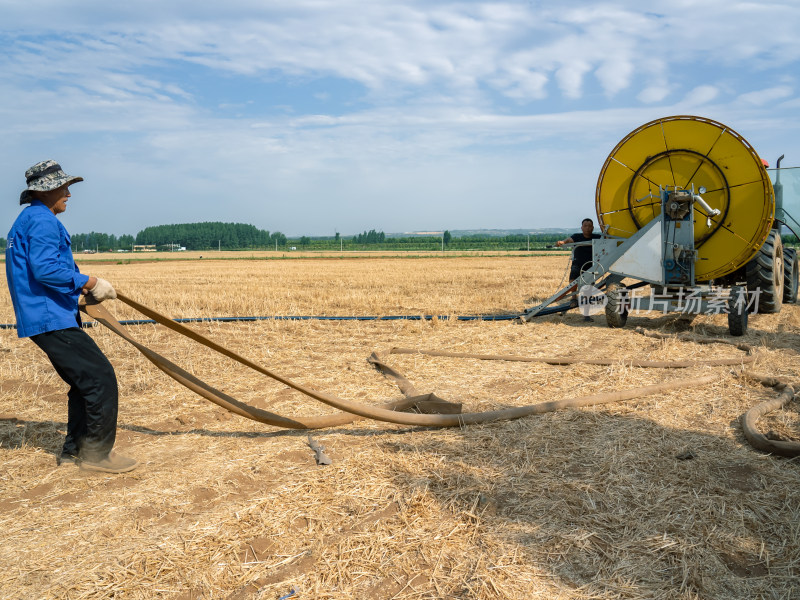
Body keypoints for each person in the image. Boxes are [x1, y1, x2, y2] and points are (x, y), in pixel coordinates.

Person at [5, 160, 138, 473]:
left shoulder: (29, 219)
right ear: (47, 190)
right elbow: (46, 269)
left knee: (83, 384)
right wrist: (90, 282)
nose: (68, 193)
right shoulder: (41, 221)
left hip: (47, 315)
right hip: (51, 318)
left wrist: (76, 289)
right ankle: (96, 456)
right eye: (63, 187)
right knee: (100, 379)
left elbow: (42, 269)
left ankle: (73, 453)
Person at [556, 218, 602, 282]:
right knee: (572, 284)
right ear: (581, 228)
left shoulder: (598, 237)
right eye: (585, 226)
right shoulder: (576, 236)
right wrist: (563, 242)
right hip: (577, 265)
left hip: (591, 266)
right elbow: (569, 240)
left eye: (589, 226)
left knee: (588, 287)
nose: (587, 228)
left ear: (593, 228)